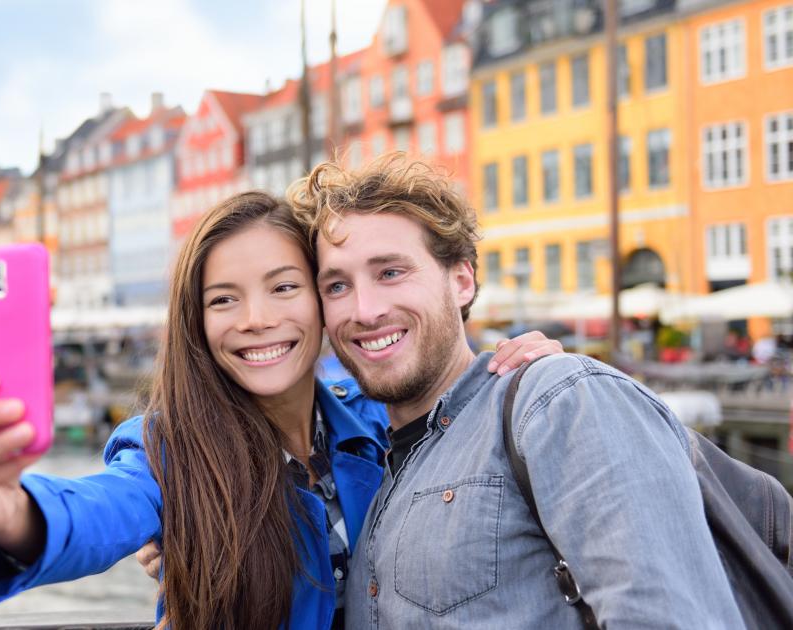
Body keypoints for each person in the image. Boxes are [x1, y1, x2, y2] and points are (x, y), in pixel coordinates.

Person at [0, 191, 560, 629]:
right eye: (223, 300)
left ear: (321, 297)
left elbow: (459, 421)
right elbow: (101, 511)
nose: (257, 320)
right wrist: (9, 515)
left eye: (284, 287)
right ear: (196, 324)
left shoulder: (376, 424)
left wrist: (514, 375)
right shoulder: (168, 451)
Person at [287, 154, 745, 629]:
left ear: (461, 280)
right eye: (337, 286)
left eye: (390, 273)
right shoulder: (375, 460)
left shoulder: (559, 400)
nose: (364, 309)